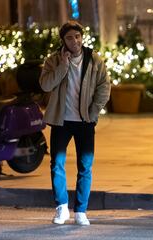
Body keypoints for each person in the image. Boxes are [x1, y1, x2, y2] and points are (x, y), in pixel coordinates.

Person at [39, 20, 111, 225]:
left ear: (82, 37)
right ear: (63, 40)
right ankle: (61, 208)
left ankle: (81, 211)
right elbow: (45, 85)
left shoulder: (94, 59)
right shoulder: (53, 60)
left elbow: (104, 87)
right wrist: (63, 67)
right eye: (70, 37)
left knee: (85, 166)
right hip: (61, 120)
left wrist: (93, 111)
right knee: (57, 165)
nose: (75, 41)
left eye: (78, 36)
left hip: (85, 121)